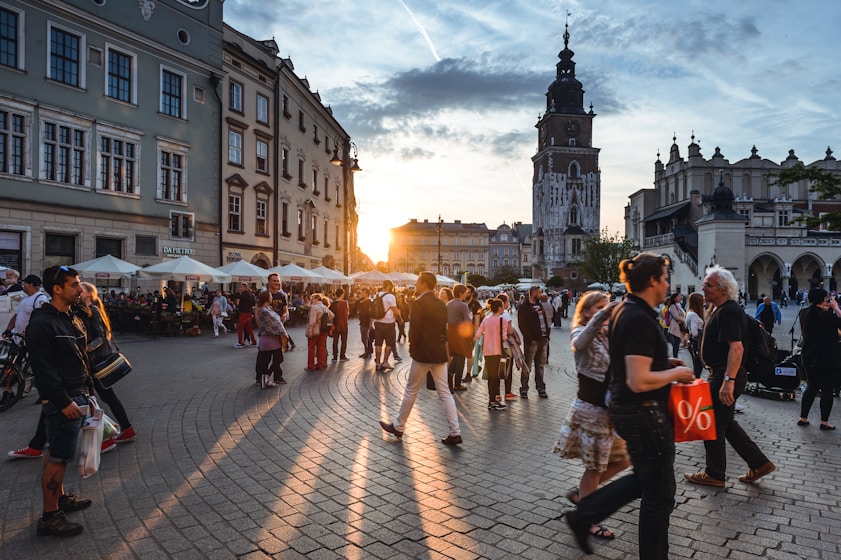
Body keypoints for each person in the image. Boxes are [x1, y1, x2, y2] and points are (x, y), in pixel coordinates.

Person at [565, 253, 695, 558]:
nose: (667, 284)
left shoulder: (627, 310)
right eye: (664, 279)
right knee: (659, 495)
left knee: (649, 483)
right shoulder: (638, 317)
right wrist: (678, 372)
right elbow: (638, 380)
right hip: (644, 413)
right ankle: (585, 514)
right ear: (652, 280)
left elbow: (627, 362)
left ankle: (585, 513)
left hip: (631, 411)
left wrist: (662, 362)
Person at [684, 265, 776, 488]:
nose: (703, 288)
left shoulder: (729, 311)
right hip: (720, 374)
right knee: (727, 424)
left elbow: (737, 349)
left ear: (723, 289)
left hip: (725, 375)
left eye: (708, 285)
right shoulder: (719, 309)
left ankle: (714, 473)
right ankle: (759, 463)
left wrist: (728, 381)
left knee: (713, 424)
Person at [555, 291, 629, 541]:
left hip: (609, 411)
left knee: (623, 459)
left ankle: (583, 495)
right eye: (598, 308)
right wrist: (605, 314)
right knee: (594, 468)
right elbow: (579, 342)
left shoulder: (608, 335)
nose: (604, 311)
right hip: (592, 410)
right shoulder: (580, 331)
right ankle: (587, 518)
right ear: (587, 312)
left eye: (605, 307)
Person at [27, 265, 92, 537]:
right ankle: (50, 516)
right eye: (75, 284)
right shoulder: (42, 322)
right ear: (57, 289)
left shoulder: (69, 317)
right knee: (59, 458)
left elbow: (79, 355)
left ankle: (60, 497)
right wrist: (64, 401)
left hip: (76, 393)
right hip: (62, 399)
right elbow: (42, 370)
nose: (80, 289)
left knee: (58, 453)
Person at [379, 271, 461, 445]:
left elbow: (414, 330)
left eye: (418, 281)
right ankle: (455, 432)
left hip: (423, 353)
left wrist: (412, 348)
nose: (415, 284)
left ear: (424, 284)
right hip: (438, 352)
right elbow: (443, 329)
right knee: (445, 392)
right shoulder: (440, 303)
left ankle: (399, 426)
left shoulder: (418, 303)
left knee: (411, 389)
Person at [797, 288, 841, 430]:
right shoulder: (827, 315)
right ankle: (824, 421)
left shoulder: (804, 313)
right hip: (827, 356)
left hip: (809, 355)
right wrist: (836, 308)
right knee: (827, 389)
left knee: (812, 387)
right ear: (824, 299)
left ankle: (803, 418)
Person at [474, 298, 516, 409]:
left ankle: (492, 400)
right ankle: (494, 401)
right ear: (499, 308)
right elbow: (503, 337)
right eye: (502, 306)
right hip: (498, 351)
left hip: (487, 351)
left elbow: (478, 333)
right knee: (496, 376)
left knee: (491, 376)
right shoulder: (503, 321)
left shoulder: (486, 319)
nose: (503, 308)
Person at [517, 285, 554, 398]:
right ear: (533, 293)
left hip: (543, 339)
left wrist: (547, 335)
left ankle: (541, 388)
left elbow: (544, 321)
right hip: (532, 342)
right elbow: (522, 325)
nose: (541, 294)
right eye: (539, 292)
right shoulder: (524, 307)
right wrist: (530, 339)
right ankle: (524, 388)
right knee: (527, 365)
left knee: (540, 366)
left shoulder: (540, 306)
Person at [254, 291, 285, 388]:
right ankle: (264, 379)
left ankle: (266, 377)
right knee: (266, 360)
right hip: (268, 338)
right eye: (271, 296)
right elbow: (274, 323)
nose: (272, 297)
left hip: (274, 339)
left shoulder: (269, 308)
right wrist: (283, 332)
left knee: (279, 358)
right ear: (267, 298)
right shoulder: (264, 310)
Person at [446, 284, 472, 392]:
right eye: (465, 292)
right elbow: (467, 321)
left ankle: (450, 378)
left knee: (456, 355)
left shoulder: (449, 304)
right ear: (461, 293)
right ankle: (456, 382)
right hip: (460, 332)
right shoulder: (463, 305)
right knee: (461, 356)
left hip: (451, 331)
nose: (466, 294)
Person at [372, 280, 400, 372]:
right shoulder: (390, 296)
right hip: (388, 323)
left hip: (378, 322)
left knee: (378, 343)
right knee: (389, 343)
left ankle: (378, 363)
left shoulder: (376, 295)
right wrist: (400, 319)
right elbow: (395, 311)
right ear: (389, 286)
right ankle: (385, 362)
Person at [305, 293, 333, 371]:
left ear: (316, 299)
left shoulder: (314, 307)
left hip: (315, 330)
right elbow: (332, 315)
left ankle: (310, 366)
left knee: (311, 348)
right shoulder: (324, 307)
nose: (311, 301)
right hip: (323, 330)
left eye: (312, 299)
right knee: (321, 348)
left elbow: (312, 321)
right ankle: (320, 365)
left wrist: (310, 329)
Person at [684, 292, 706, 378]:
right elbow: (694, 332)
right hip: (697, 343)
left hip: (694, 343)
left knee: (697, 366)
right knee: (698, 366)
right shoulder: (693, 315)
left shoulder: (691, 313)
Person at [233, 283, 256, 348]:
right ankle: (253, 341)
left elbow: (239, 297)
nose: (240, 288)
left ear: (245, 287)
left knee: (240, 328)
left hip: (244, 313)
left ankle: (240, 342)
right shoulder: (251, 294)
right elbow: (253, 303)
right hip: (249, 313)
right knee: (249, 328)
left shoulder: (245, 294)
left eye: (241, 287)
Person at [330, 288, 349, 361]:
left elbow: (330, 315)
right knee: (343, 341)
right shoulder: (344, 303)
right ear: (342, 294)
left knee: (335, 340)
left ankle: (335, 356)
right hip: (343, 325)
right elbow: (346, 314)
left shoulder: (332, 304)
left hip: (335, 324)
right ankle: (342, 356)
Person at [666, 293, 686, 359]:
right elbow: (676, 316)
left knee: (677, 343)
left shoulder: (679, 306)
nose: (680, 297)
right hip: (674, 327)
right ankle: (675, 358)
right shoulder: (672, 306)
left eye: (680, 296)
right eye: (678, 296)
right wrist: (684, 320)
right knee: (676, 344)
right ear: (674, 298)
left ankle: (675, 357)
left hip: (678, 327)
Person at [357, 288, 374, 359]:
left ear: (367, 293)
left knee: (367, 338)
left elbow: (371, 314)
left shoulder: (370, 302)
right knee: (363, 338)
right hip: (362, 322)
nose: (362, 294)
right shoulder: (361, 302)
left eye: (363, 292)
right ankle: (367, 351)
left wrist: (370, 323)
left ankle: (368, 351)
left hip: (367, 322)